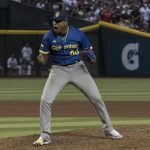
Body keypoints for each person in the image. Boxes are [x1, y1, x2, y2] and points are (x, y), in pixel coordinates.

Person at [33, 10, 123, 146]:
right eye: (53, 21)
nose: (54, 23)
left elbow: (91, 56)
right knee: (45, 100)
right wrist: (41, 59)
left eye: (57, 21)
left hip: (78, 69)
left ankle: (109, 129)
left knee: (97, 98)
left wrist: (91, 59)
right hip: (58, 70)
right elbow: (44, 58)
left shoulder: (78, 34)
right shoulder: (48, 37)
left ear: (65, 22)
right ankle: (45, 135)